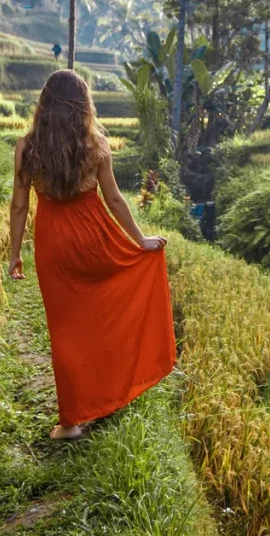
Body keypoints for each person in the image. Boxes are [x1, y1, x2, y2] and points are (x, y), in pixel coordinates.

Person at [9, 69, 176, 440]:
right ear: (83, 104)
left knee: (64, 331)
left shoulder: (28, 147)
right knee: (102, 315)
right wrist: (140, 240)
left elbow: (19, 207)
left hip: (53, 242)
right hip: (94, 236)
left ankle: (71, 422)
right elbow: (113, 199)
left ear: (45, 104)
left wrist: (15, 253)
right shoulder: (95, 143)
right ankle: (108, 394)